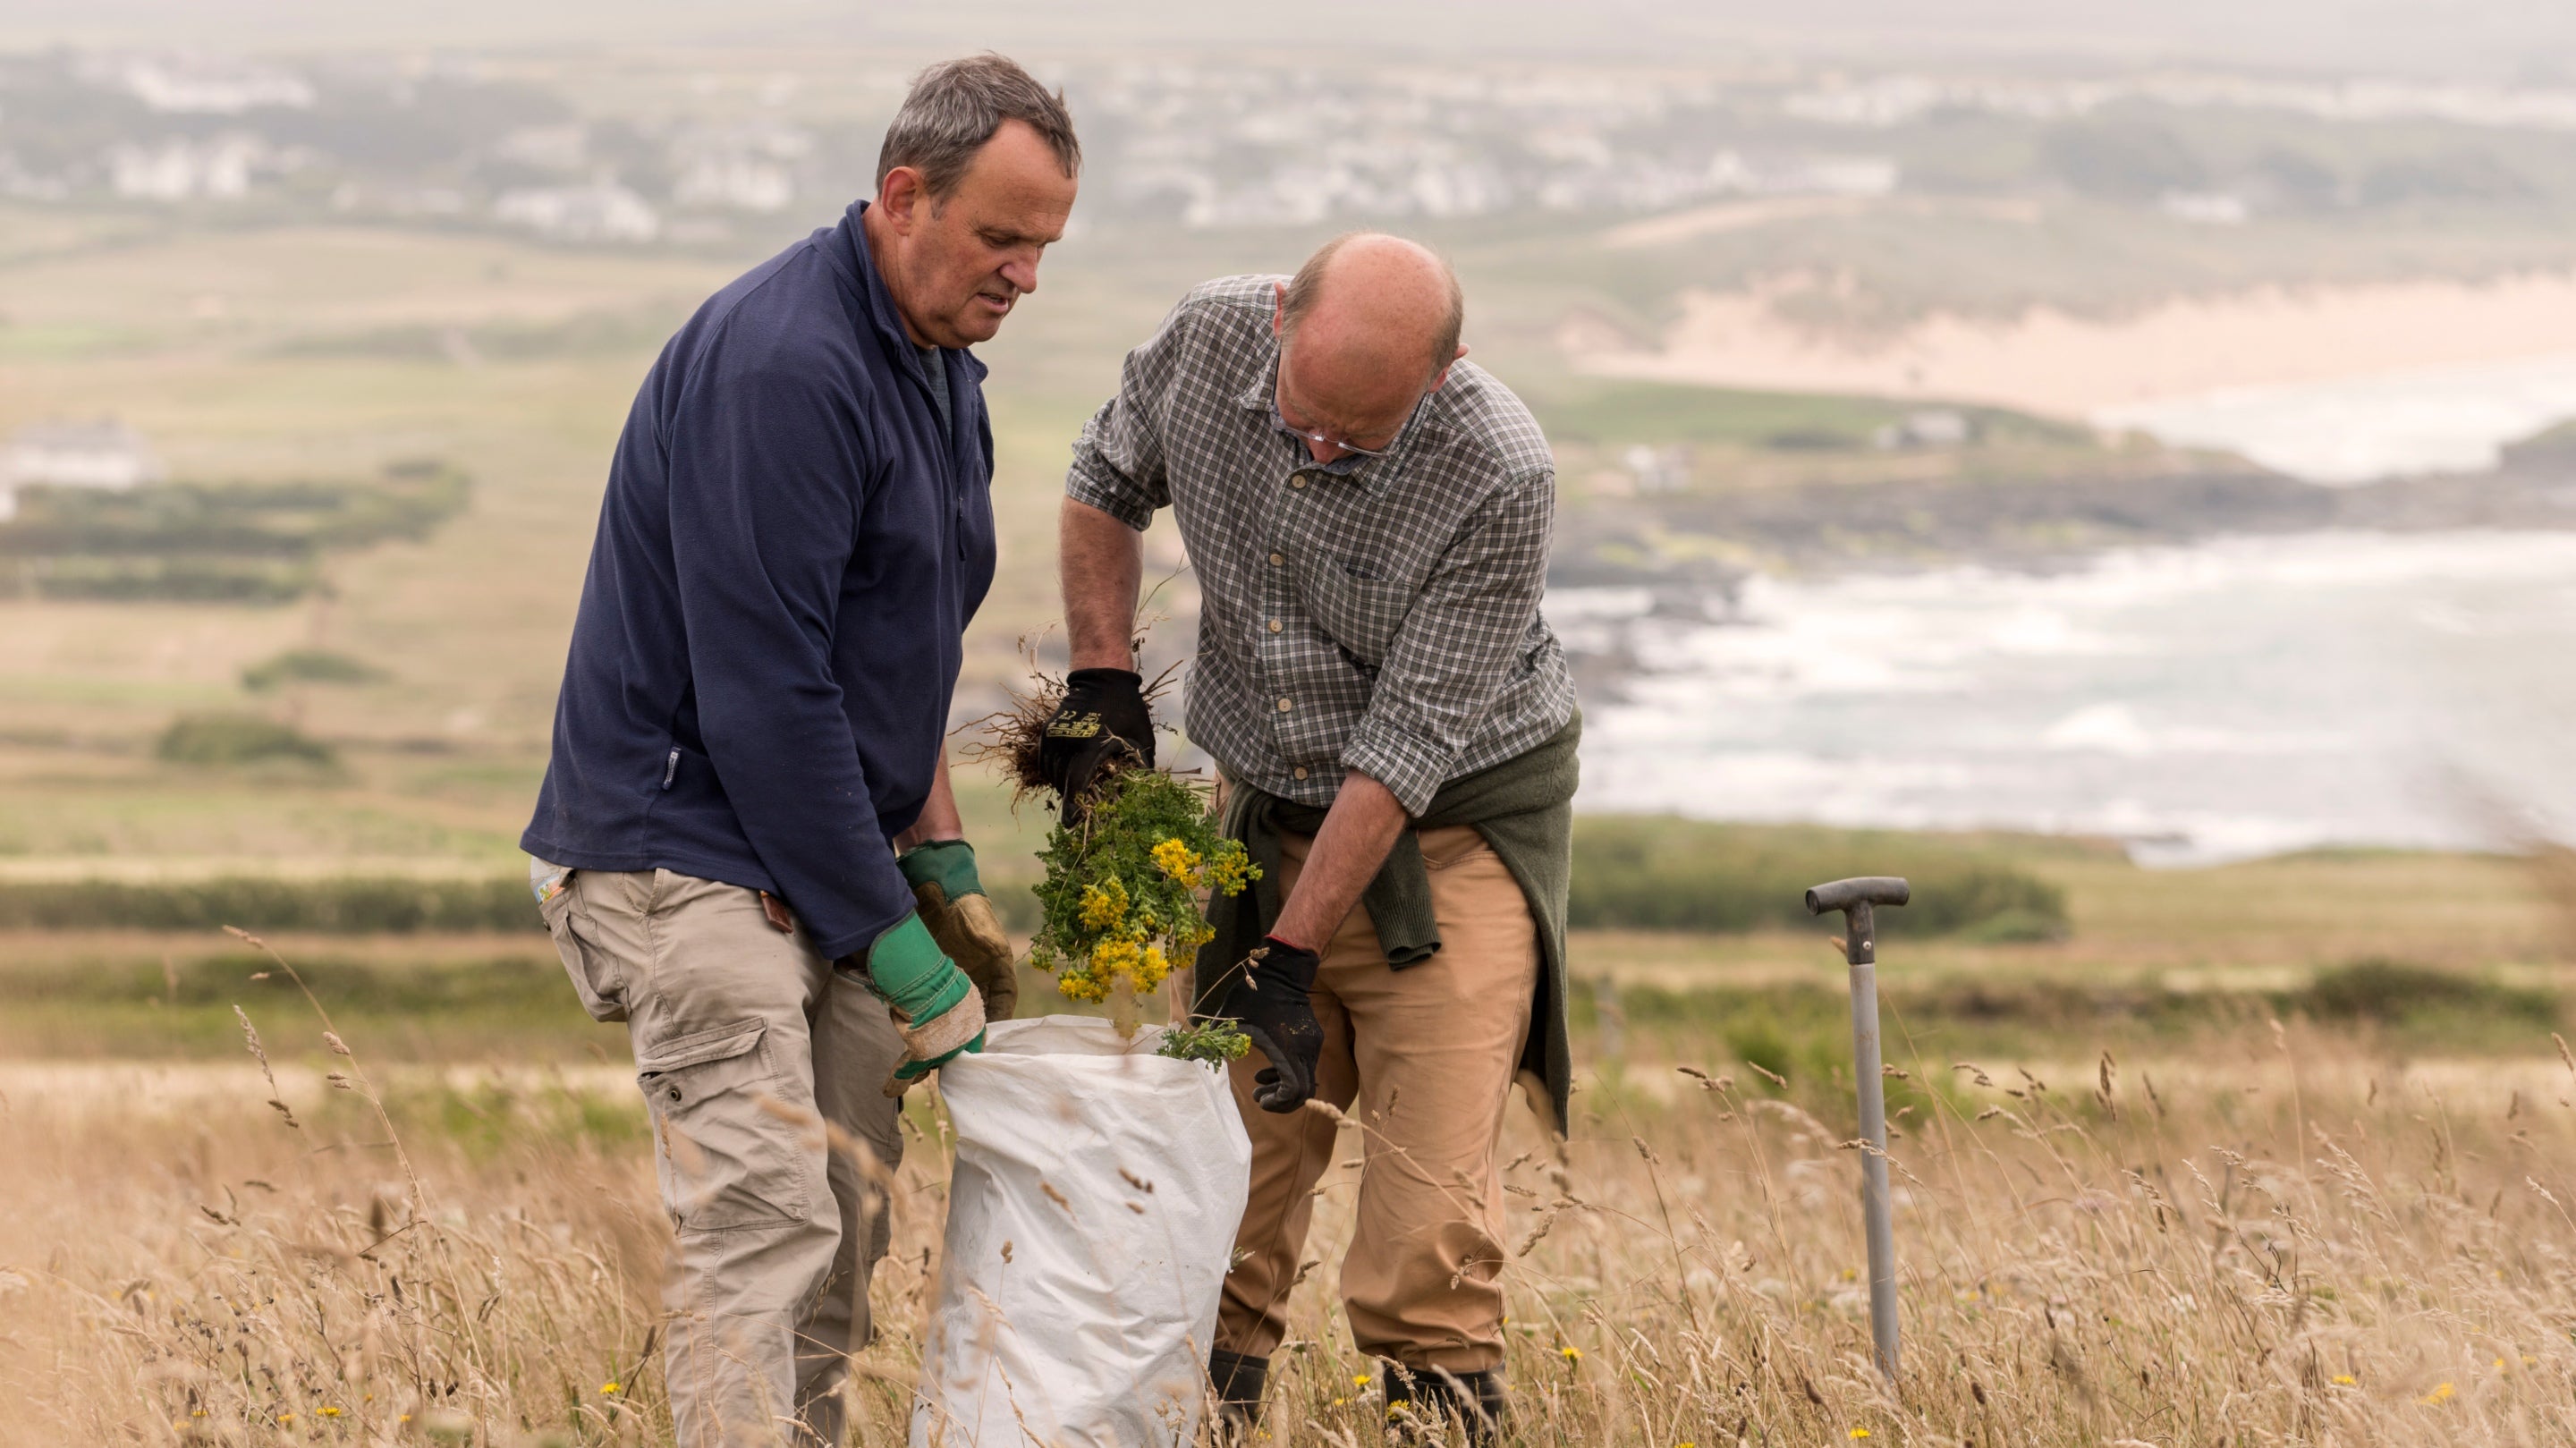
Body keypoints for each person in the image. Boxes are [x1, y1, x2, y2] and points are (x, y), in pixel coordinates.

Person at [521, 55, 1078, 1447]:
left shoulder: (944, 366)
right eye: (1002, 238)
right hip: (685, 850)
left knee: (844, 1224)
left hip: (827, 848)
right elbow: (767, 698)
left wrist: (939, 858)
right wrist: (902, 954)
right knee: (765, 1218)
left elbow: (900, 650)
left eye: (1044, 247)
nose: (1024, 277)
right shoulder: (788, 367)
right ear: (905, 196)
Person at [1049, 233, 1580, 1442]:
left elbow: (1402, 751)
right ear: (1281, 315)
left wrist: (1287, 964)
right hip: (1269, 801)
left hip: (1452, 837)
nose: (1323, 451)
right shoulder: (1208, 334)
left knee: (1424, 1234)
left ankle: (1437, 1413)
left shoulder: (1497, 471)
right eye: (1304, 421)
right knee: (1222, 1195)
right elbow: (1103, 474)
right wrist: (1102, 681)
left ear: (1441, 381)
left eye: (1361, 438)